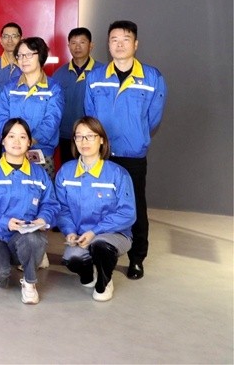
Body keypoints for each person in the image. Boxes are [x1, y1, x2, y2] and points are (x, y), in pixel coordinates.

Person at [85, 20, 166, 280]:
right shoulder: (95, 77)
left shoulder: (152, 78)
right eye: (114, 40)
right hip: (102, 154)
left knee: (135, 206)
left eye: (125, 39)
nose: (119, 45)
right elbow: (90, 116)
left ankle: (137, 258)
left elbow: (153, 119)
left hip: (132, 155)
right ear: (108, 44)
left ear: (136, 44)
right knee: (99, 205)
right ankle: (99, 252)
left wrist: (135, 136)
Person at [0, 118, 59, 304]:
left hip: (24, 234)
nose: (17, 141)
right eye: (11, 136)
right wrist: (5, 222)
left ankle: (29, 280)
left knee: (34, 239)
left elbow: (50, 203)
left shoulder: (39, 174)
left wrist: (43, 219)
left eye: (22, 137)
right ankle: (10, 264)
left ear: (29, 142)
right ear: (3, 141)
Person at [55, 116, 136, 301]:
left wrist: (95, 232)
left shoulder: (118, 174)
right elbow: (62, 209)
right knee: (72, 259)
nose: (84, 141)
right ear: (74, 140)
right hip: (81, 236)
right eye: (79, 136)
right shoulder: (65, 172)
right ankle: (89, 274)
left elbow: (127, 213)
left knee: (100, 246)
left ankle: (104, 283)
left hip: (114, 234)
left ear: (101, 140)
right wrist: (70, 232)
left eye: (90, 136)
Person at [0, 37, 64, 178]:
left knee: (41, 189)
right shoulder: (10, 87)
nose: (23, 59)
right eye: (20, 55)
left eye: (28, 54)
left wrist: (29, 141)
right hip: (11, 151)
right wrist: (13, 140)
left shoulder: (53, 88)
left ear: (41, 56)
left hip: (41, 153)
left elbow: (51, 121)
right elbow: (0, 116)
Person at [52, 27, 96, 165]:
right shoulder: (59, 74)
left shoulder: (101, 73)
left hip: (92, 136)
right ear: (68, 46)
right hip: (66, 135)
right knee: (69, 171)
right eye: (73, 43)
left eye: (82, 42)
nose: (77, 47)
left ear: (91, 45)